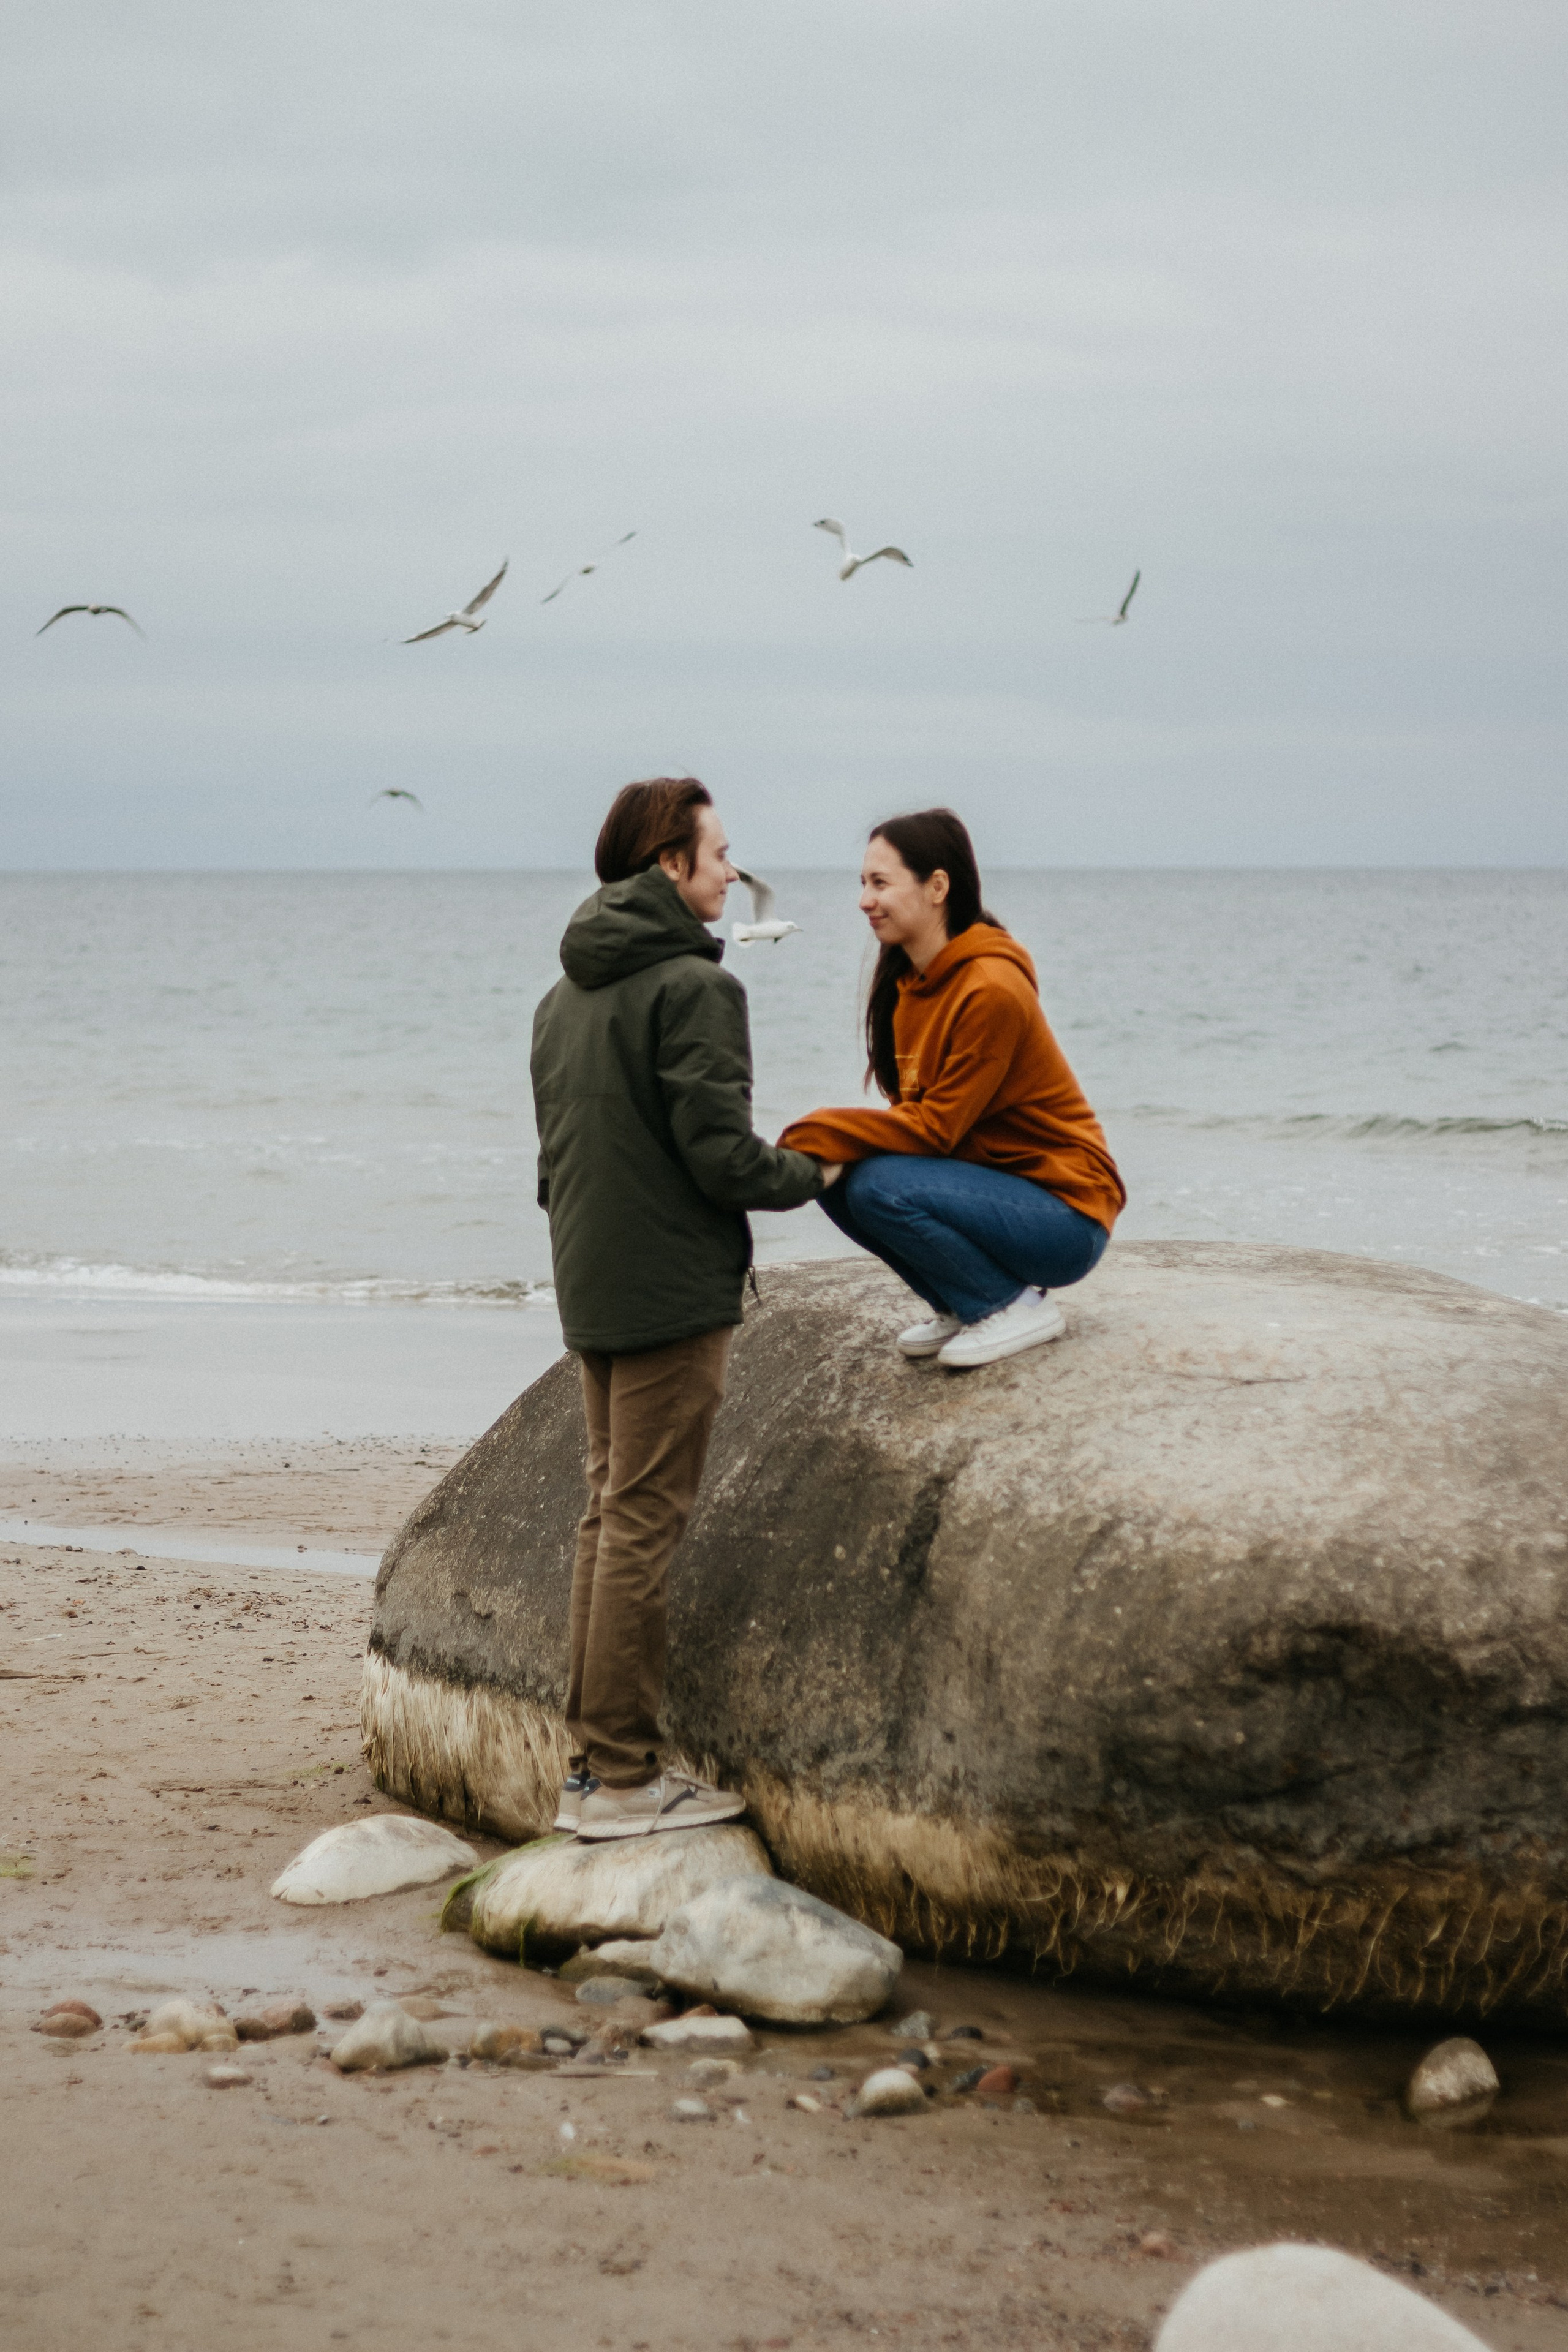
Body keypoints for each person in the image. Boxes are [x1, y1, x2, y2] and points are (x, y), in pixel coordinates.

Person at [531, 777, 826, 1839]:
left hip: (592, 1284)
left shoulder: (561, 998)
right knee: (641, 1526)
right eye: (719, 852)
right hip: (668, 1294)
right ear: (668, 864)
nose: (732, 871)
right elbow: (720, 1158)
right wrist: (818, 1170)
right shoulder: (699, 992)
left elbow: (553, 1167)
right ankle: (620, 1782)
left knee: (608, 1518)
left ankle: (590, 1770)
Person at [780, 808, 1124, 1368]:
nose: (865, 900)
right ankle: (962, 1301)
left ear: (937, 886)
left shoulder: (991, 987)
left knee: (874, 1184)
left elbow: (936, 1129)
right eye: (863, 884)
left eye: (880, 883)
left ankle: (1008, 1305)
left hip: (1065, 1214)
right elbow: (914, 1119)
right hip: (999, 1192)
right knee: (837, 1181)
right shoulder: (910, 983)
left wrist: (816, 1128)